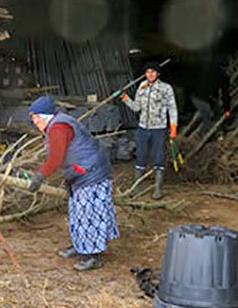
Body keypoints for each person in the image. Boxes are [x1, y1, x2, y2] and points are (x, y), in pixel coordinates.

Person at [27, 96, 119, 271]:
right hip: (79, 172)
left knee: (90, 214)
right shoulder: (56, 124)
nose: (35, 122)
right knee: (77, 212)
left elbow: (56, 159)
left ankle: (94, 255)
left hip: (91, 172)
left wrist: (40, 176)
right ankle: (80, 246)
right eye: (33, 118)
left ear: (47, 115)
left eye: (37, 117)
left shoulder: (58, 128)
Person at [120, 62, 178, 199]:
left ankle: (157, 189)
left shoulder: (166, 88)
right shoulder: (142, 87)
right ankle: (137, 188)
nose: (150, 74)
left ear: (158, 74)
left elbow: (172, 109)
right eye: (148, 72)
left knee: (158, 157)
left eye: (153, 72)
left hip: (159, 129)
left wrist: (173, 127)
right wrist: (126, 99)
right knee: (140, 156)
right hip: (143, 128)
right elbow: (136, 108)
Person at [190, 55, 231, 128]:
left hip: (195, 96)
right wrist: (227, 109)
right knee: (211, 117)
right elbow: (225, 94)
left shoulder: (206, 70)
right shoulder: (223, 76)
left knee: (202, 113)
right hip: (207, 99)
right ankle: (208, 132)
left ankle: (189, 130)